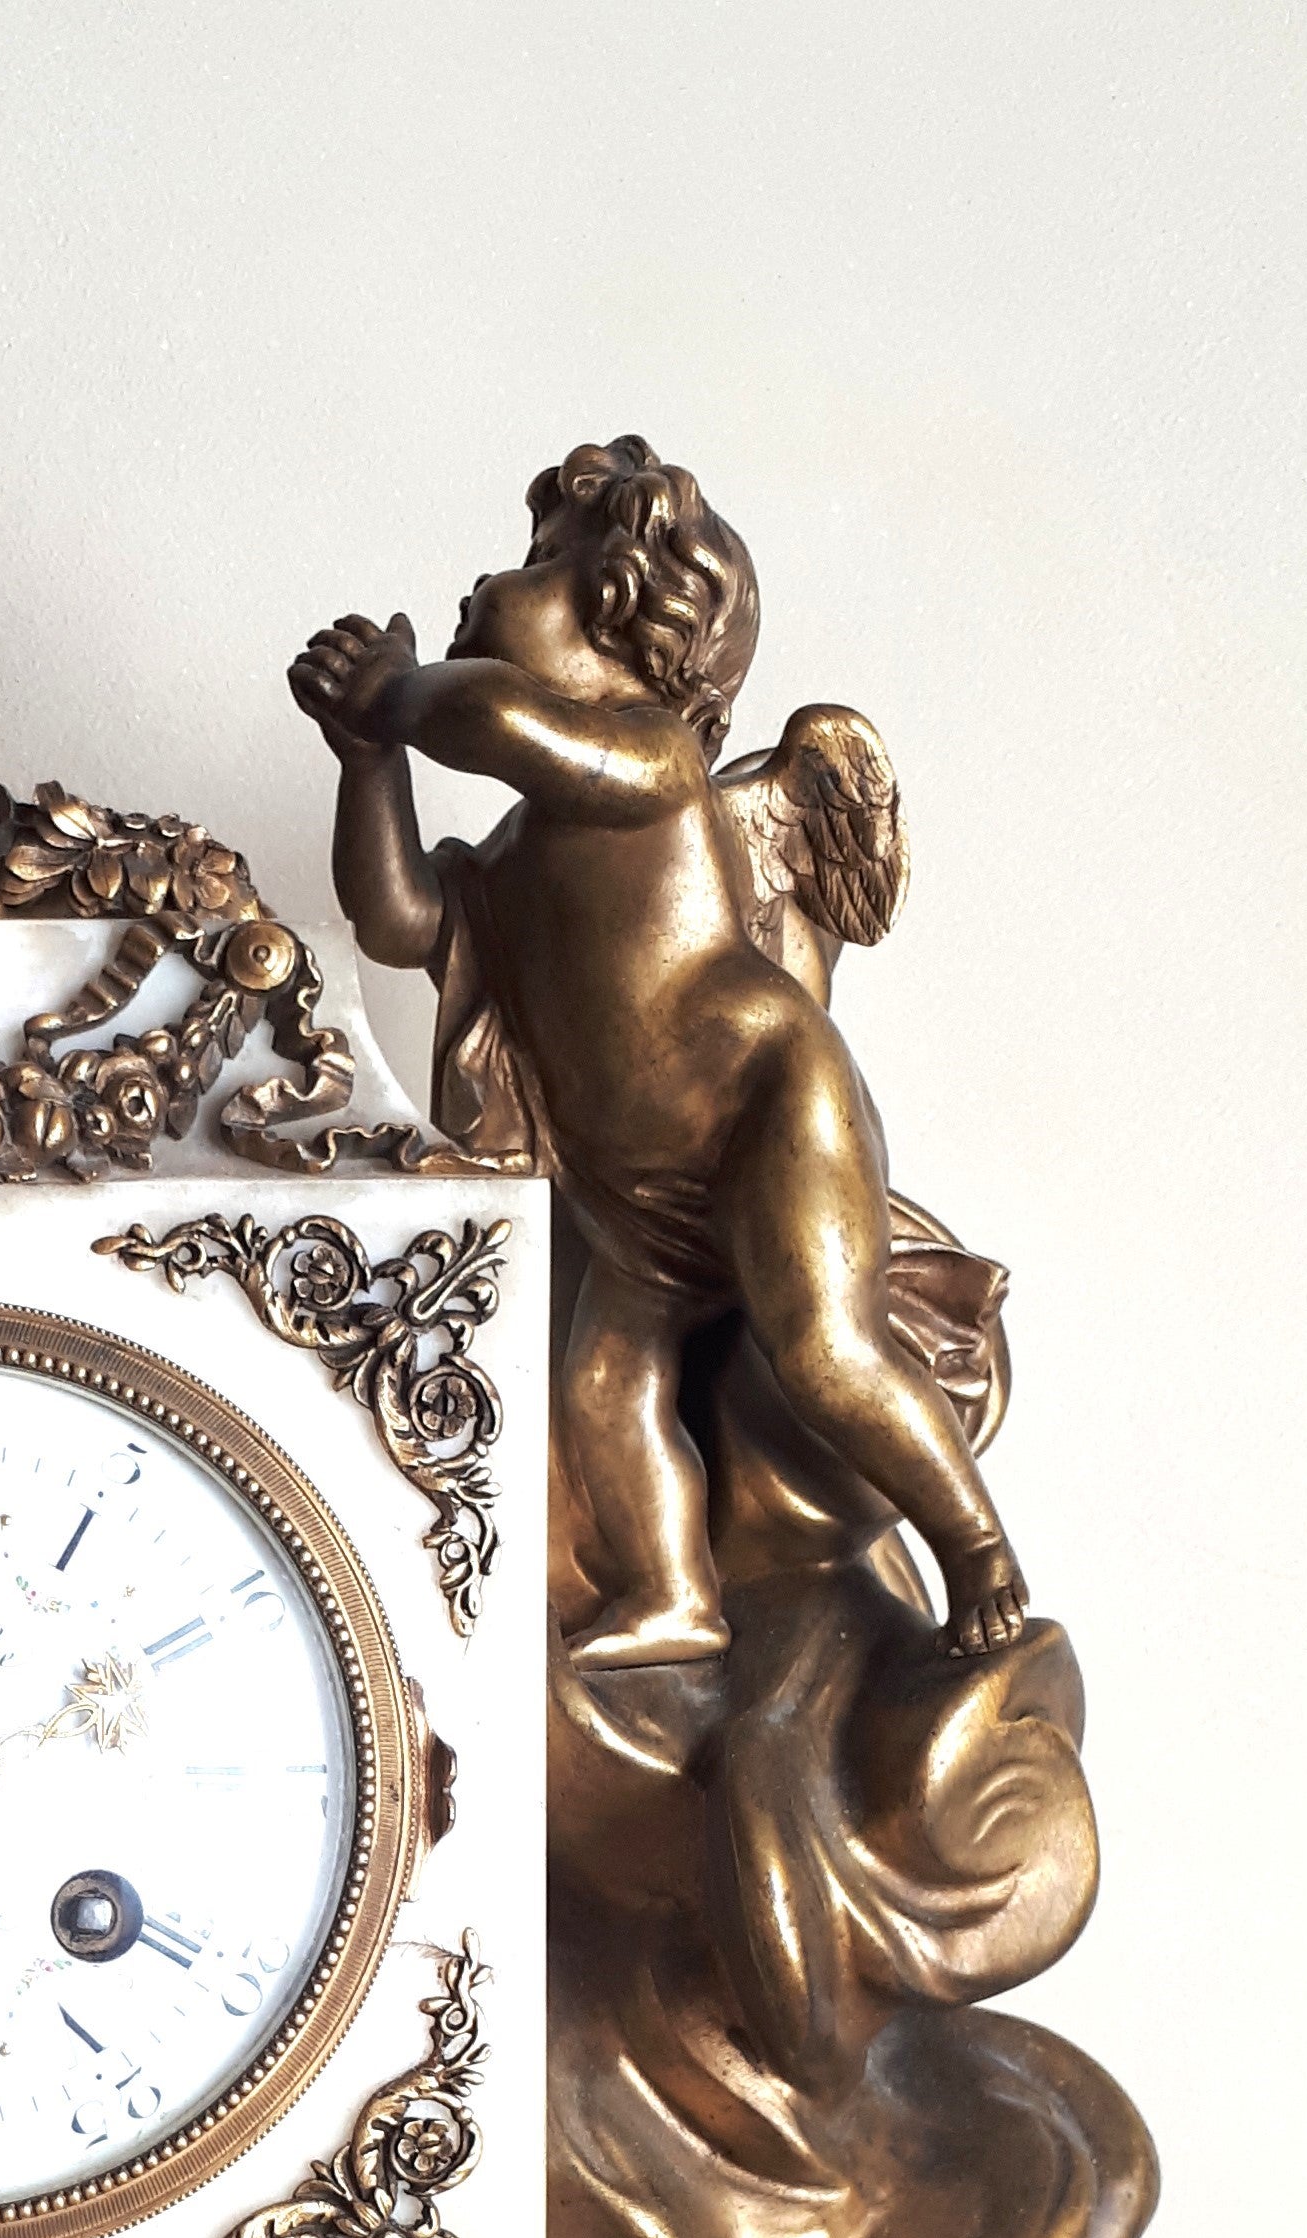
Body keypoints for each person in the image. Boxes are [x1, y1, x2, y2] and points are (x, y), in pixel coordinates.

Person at [289, 438, 1029, 1669]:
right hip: (631, 1192)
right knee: (599, 1393)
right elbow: (398, 916)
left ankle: (980, 1554)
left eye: (538, 566)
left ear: (623, 621)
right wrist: (366, 760)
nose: (492, 581)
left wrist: (398, 695)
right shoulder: (526, 852)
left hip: (760, 1106)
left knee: (829, 1352)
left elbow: (490, 719)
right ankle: (675, 1591)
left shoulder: (646, 760)